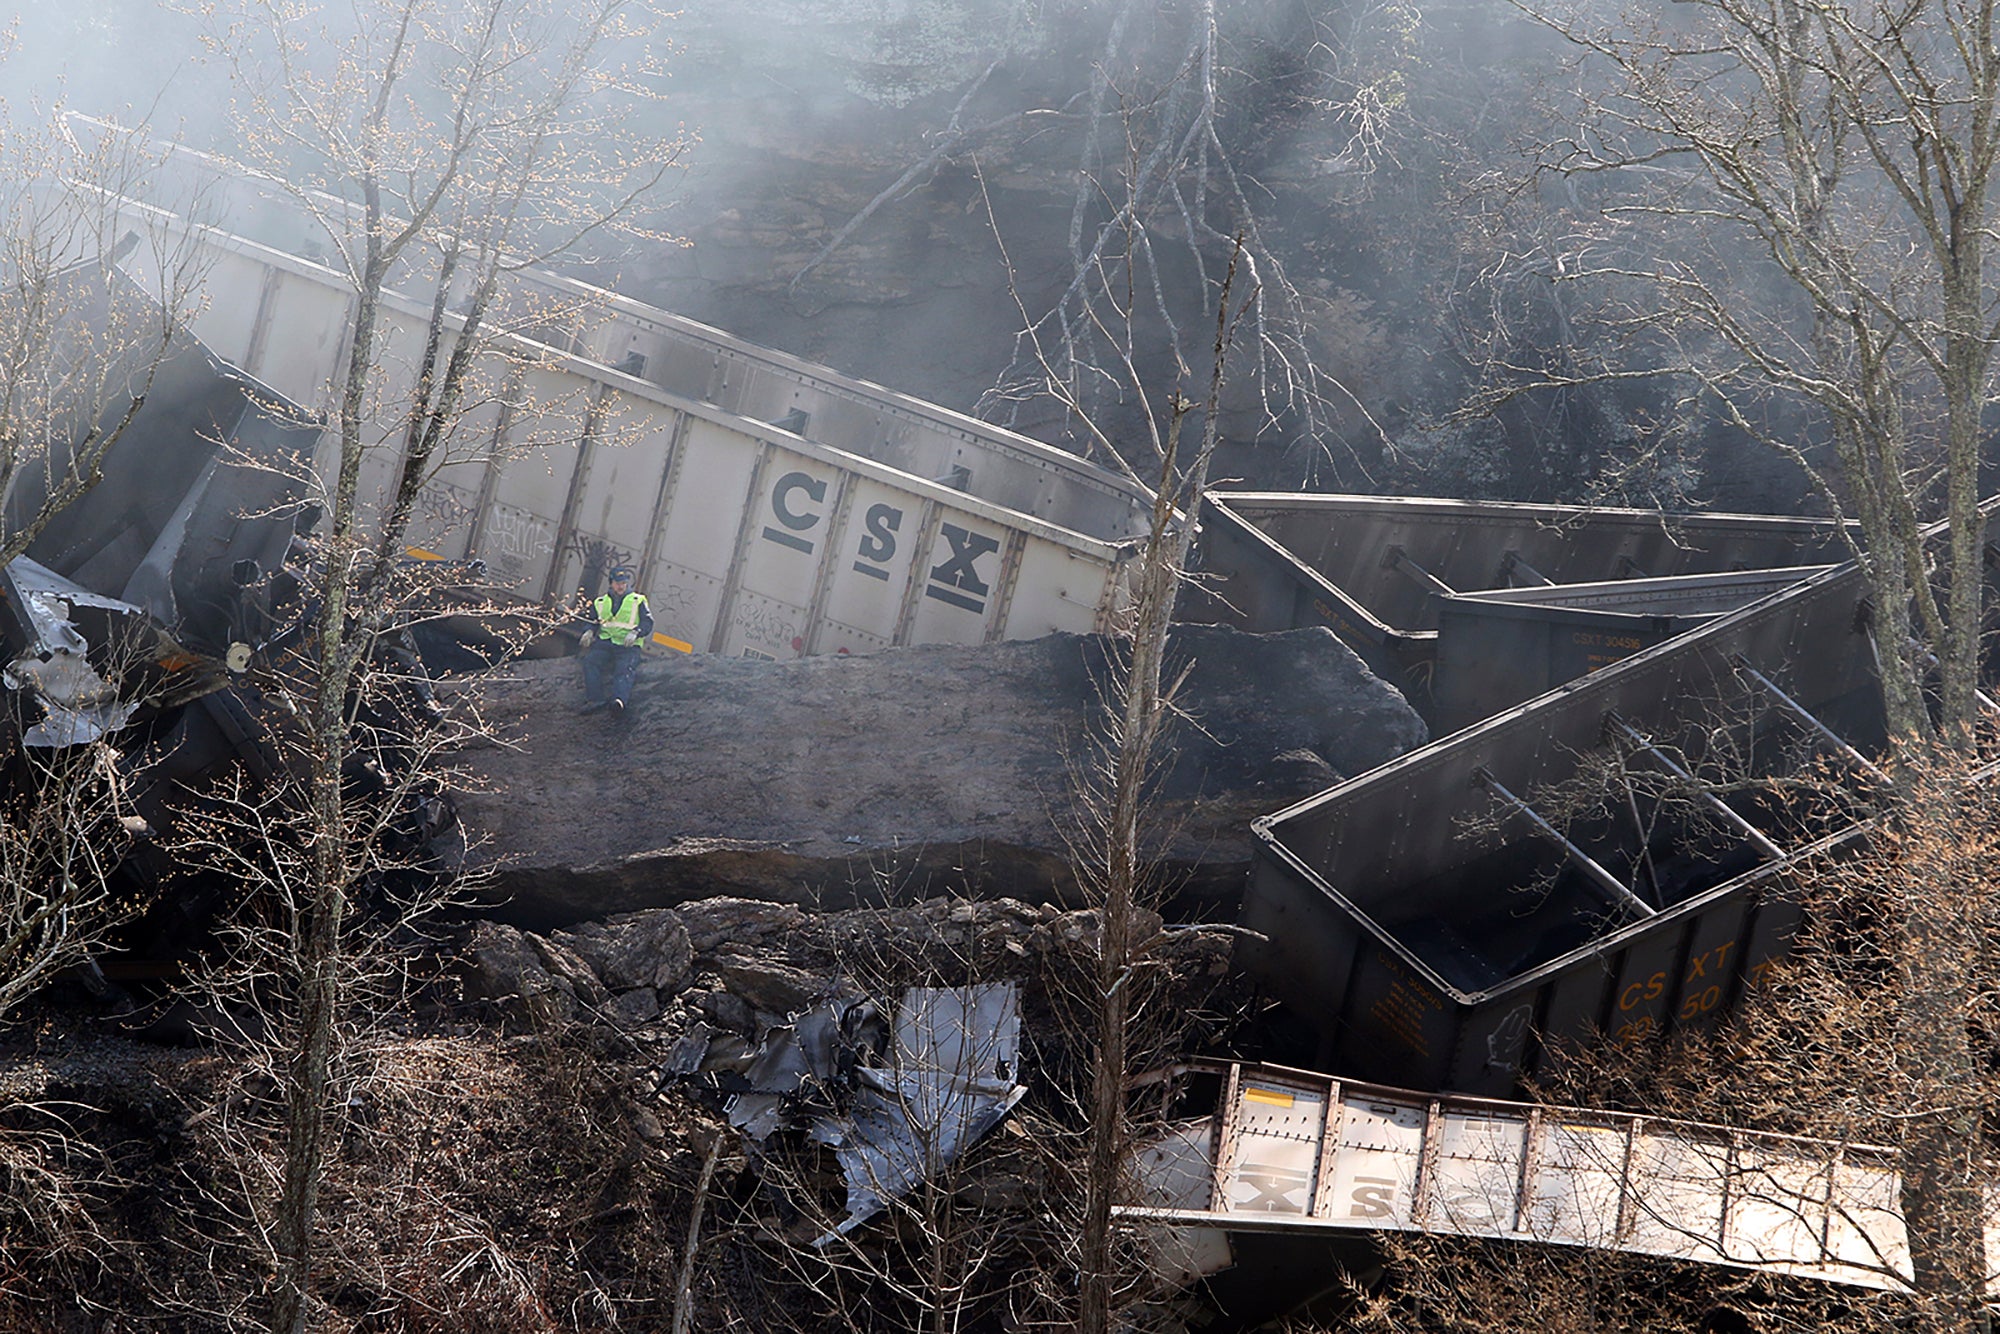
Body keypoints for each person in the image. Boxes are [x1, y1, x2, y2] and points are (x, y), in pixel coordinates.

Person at [577, 566, 653, 715]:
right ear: (611, 583)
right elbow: (592, 621)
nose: (621, 586)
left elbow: (647, 623)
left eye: (624, 583)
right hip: (605, 642)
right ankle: (595, 699)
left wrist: (636, 632)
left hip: (628, 645)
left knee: (624, 668)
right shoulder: (600, 602)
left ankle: (619, 701)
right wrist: (588, 631)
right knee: (590, 662)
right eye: (618, 583)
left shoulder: (638, 600)